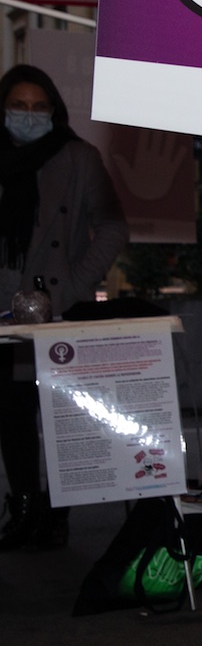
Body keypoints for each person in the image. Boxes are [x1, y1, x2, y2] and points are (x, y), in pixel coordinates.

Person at [0, 63, 128, 550]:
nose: (29, 114)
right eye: (18, 105)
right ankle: (23, 506)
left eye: (39, 107)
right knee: (11, 414)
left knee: (61, 417)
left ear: (54, 110)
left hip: (58, 308)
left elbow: (113, 226)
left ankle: (56, 514)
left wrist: (71, 286)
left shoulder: (79, 157)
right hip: (3, 311)